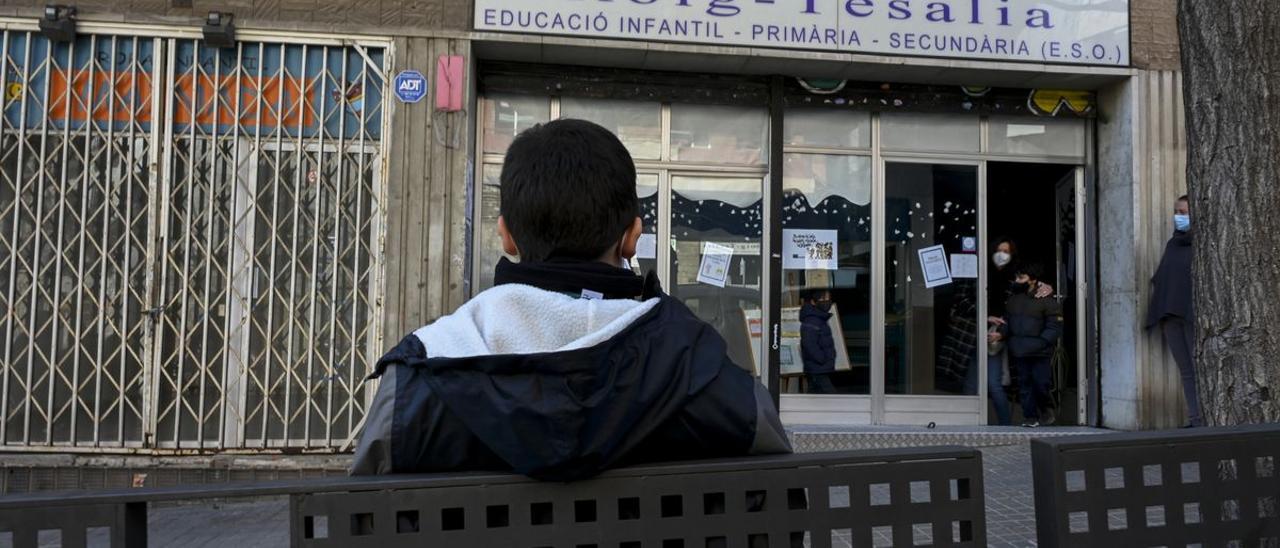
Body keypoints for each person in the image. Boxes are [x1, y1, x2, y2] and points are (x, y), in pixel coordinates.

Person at [350, 119, 791, 480]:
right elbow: (779, 505)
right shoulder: (705, 371)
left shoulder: (417, 381)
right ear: (632, 237)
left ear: (504, 235)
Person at [965, 238, 1053, 425]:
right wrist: (984, 316)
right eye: (998, 249)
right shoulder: (978, 271)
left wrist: (1047, 287)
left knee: (994, 383)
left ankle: (1005, 424)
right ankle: (967, 422)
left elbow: (1033, 290)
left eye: (1006, 251)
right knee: (971, 382)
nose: (1001, 254)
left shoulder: (1016, 279)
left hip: (999, 334)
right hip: (972, 332)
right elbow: (963, 301)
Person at [1146, 195, 1202, 427]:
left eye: (1183, 212)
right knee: (1186, 370)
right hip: (1171, 316)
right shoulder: (1173, 243)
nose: (1179, 216)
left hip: (1191, 315)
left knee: (1199, 369)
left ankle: (1206, 418)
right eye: (1177, 211)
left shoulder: (1203, 243)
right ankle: (1195, 418)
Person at [994, 263, 1063, 428]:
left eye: (1022, 277)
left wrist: (1043, 342)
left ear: (1033, 280)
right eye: (1017, 277)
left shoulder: (1046, 299)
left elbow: (1054, 326)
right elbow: (1007, 321)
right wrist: (1002, 334)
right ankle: (1030, 417)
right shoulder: (1013, 299)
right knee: (1024, 385)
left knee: (1041, 383)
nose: (1017, 280)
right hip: (1019, 350)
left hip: (1040, 351)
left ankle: (1045, 408)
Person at [799, 289, 838, 394]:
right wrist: (822, 359)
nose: (827, 301)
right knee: (832, 399)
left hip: (819, 368)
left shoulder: (819, 319)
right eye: (823, 298)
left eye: (828, 299)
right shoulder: (811, 320)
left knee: (815, 399)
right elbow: (809, 344)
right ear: (813, 301)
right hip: (817, 369)